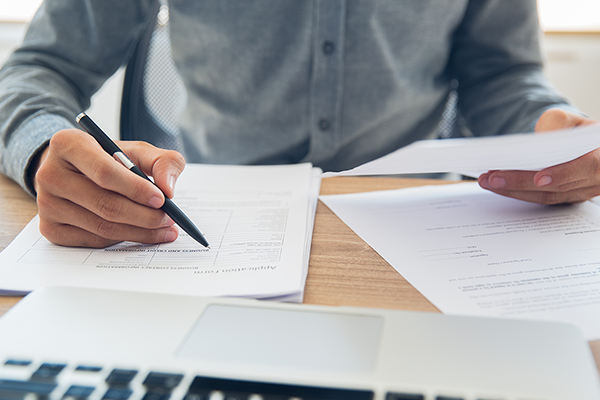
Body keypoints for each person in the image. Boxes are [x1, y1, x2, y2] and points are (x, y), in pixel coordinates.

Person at [0, 0, 597, 248]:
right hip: (218, 225)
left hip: (418, 230)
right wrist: (40, 153)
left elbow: (501, 73)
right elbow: (38, 70)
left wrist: (546, 128)